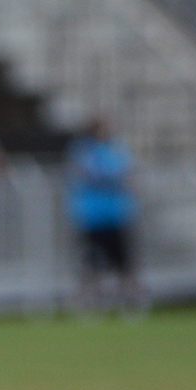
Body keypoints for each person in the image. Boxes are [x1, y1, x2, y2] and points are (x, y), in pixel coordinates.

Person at [66, 116, 144, 313]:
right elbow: (85, 173)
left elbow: (128, 173)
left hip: (116, 214)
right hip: (91, 216)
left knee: (124, 262)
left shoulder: (116, 148)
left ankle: (129, 302)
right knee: (90, 263)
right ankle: (89, 303)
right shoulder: (83, 150)